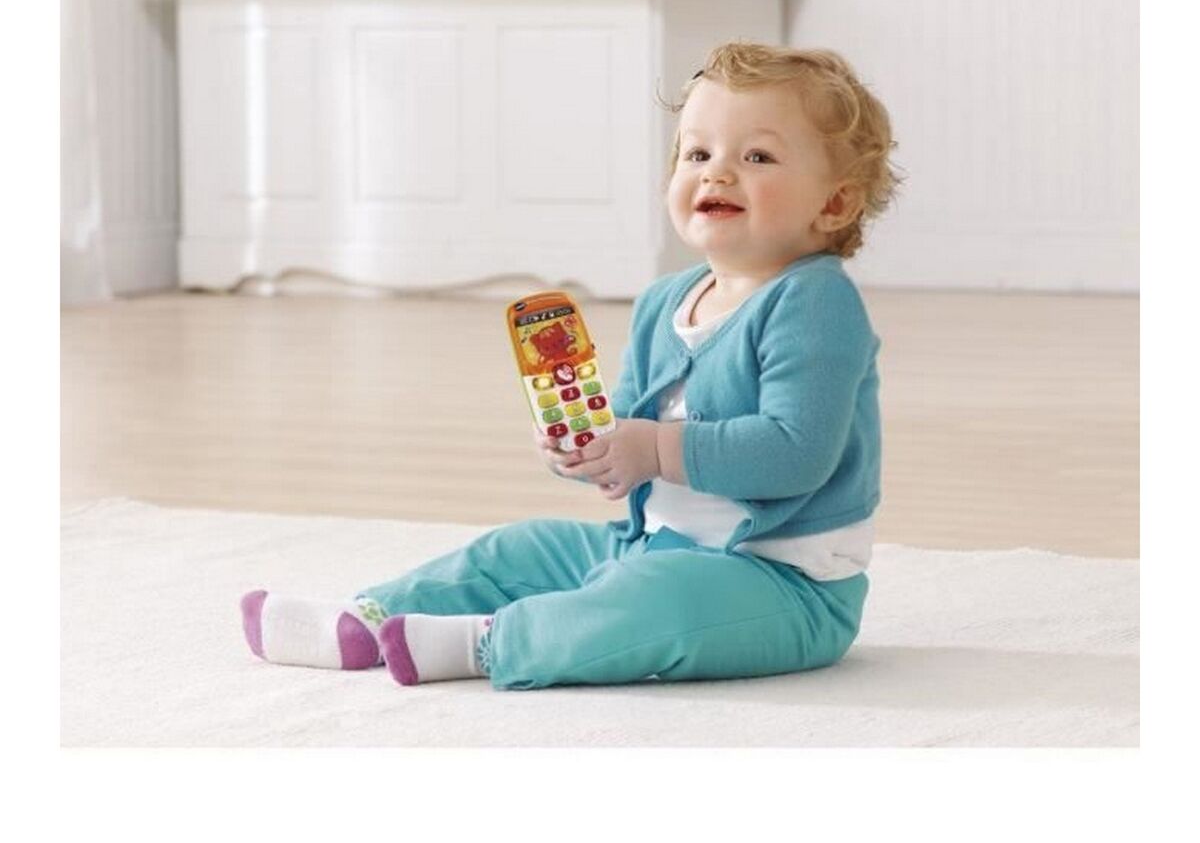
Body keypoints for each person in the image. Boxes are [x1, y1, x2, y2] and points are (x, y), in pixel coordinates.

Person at [241, 41, 901, 690]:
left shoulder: (814, 300)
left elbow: (796, 453)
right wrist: (591, 448)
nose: (716, 174)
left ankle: (490, 641)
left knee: (658, 602)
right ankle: (368, 618)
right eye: (697, 153)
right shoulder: (664, 301)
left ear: (834, 204)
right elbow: (629, 436)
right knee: (520, 548)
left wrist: (655, 448)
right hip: (647, 546)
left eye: (756, 156)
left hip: (786, 586)